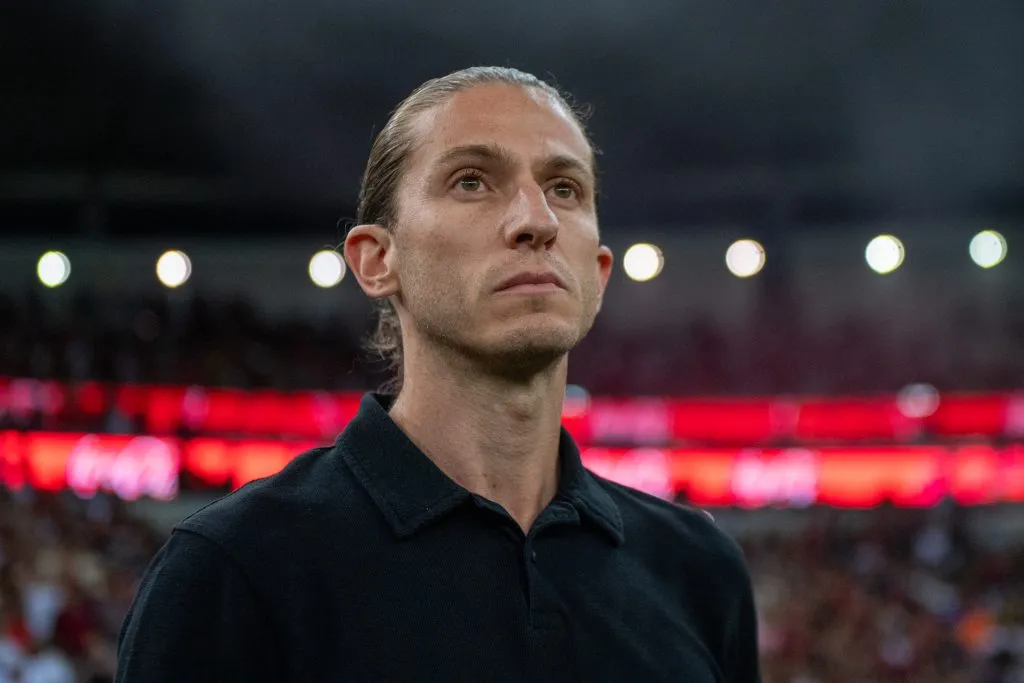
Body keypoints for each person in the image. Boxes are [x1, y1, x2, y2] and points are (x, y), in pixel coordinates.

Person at [115, 66, 761, 682]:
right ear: (377, 261)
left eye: (564, 188)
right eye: (473, 181)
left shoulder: (700, 572)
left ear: (596, 273)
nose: (536, 220)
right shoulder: (234, 569)